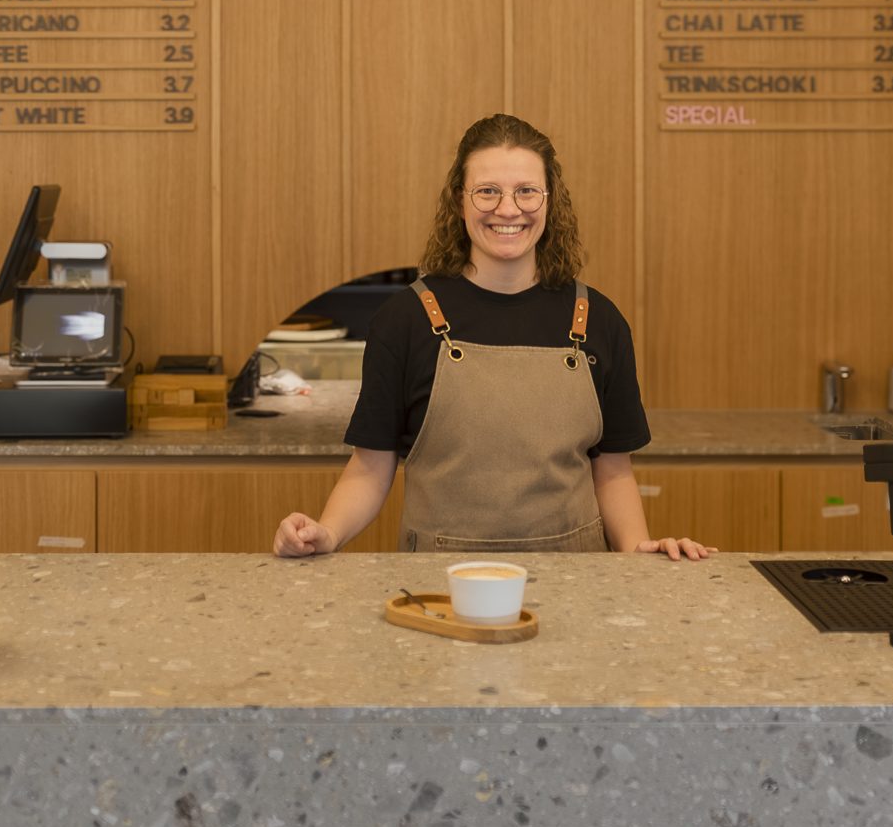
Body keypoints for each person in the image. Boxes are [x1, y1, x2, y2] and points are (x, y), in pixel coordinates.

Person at [272, 114, 716, 561]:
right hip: (438, 583)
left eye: (526, 191)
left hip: (579, 581)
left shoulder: (599, 319)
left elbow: (614, 472)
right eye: (487, 191)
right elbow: (371, 467)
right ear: (459, 200)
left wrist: (639, 555)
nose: (508, 209)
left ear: (550, 200)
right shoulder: (404, 319)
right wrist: (328, 532)